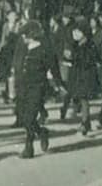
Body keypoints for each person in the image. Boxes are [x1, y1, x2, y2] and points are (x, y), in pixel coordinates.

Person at [14, 21, 65, 158]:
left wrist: (59, 84)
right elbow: (17, 66)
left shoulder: (44, 49)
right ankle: (42, 132)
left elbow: (53, 68)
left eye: (25, 35)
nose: (23, 38)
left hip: (37, 87)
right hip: (23, 87)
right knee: (24, 118)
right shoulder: (23, 47)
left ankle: (28, 148)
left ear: (32, 35)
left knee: (30, 117)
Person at [68, 18, 99, 135]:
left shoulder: (88, 45)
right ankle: (86, 122)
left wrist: (76, 59)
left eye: (77, 32)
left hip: (86, 75)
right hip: (78, 75)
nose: (74, 34)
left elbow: (89, 60)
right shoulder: (76, 44)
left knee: (84, 99)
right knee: (81, 99)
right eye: (74, 32)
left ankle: (85, 123)